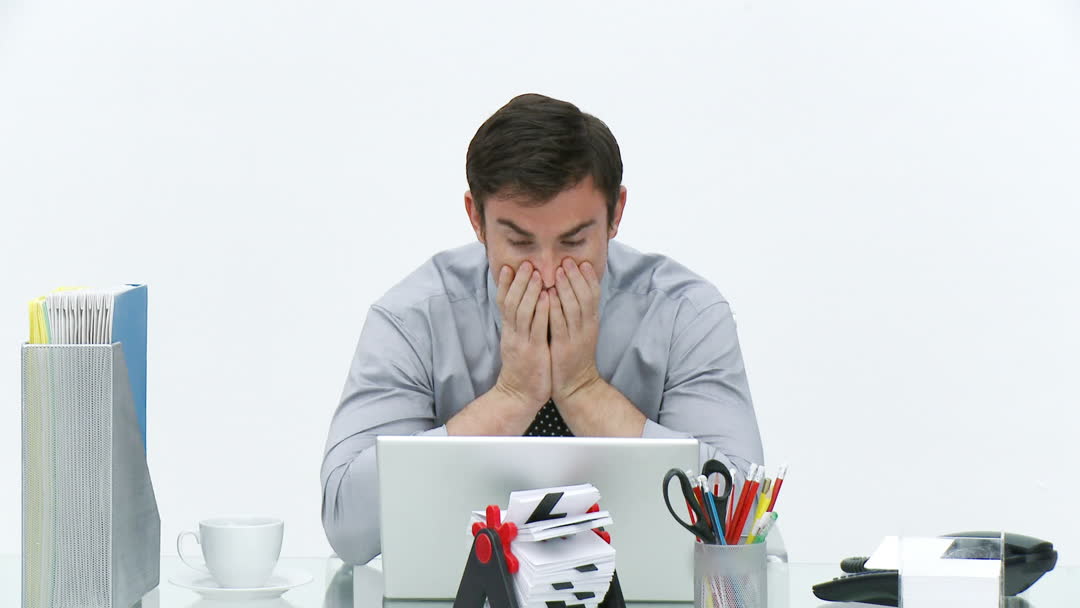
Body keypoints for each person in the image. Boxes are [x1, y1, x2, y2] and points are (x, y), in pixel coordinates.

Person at [321, 93, 764, 564]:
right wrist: (512, 398)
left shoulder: (685, 315)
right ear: (476, 218)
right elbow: (349, 529)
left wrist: (582, 389)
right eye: (519, 242)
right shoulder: (414, 318)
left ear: (616, 214)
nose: (548, 273)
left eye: (574, 241)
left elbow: (741, 520)